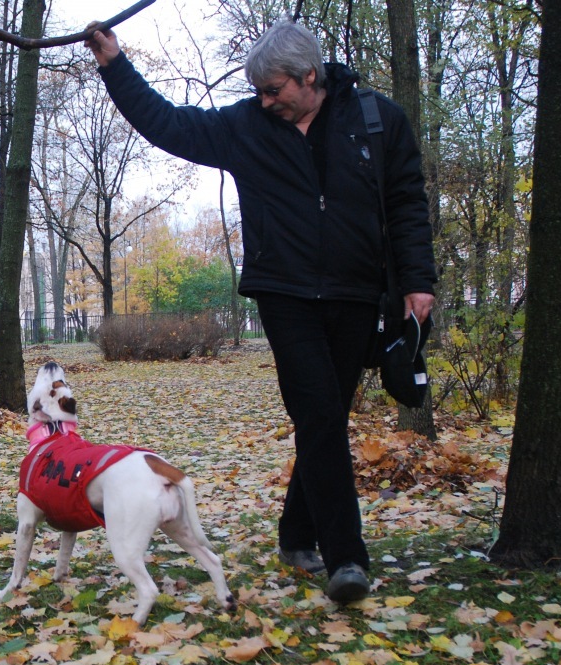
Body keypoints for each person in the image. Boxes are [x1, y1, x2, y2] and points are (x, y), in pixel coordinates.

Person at [85, 16, 437, 605]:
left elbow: (407, 202)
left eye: (274, 89)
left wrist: (418, 281)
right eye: (259, 91)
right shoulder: (246, 126)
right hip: (285, 295)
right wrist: (115, 66)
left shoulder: (376, 120)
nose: (265, 100)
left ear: (309, 77)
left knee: (326, 419)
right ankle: (346, 559)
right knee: (320, 414)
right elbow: (169, 125)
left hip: (357, 295)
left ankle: (297, 532)